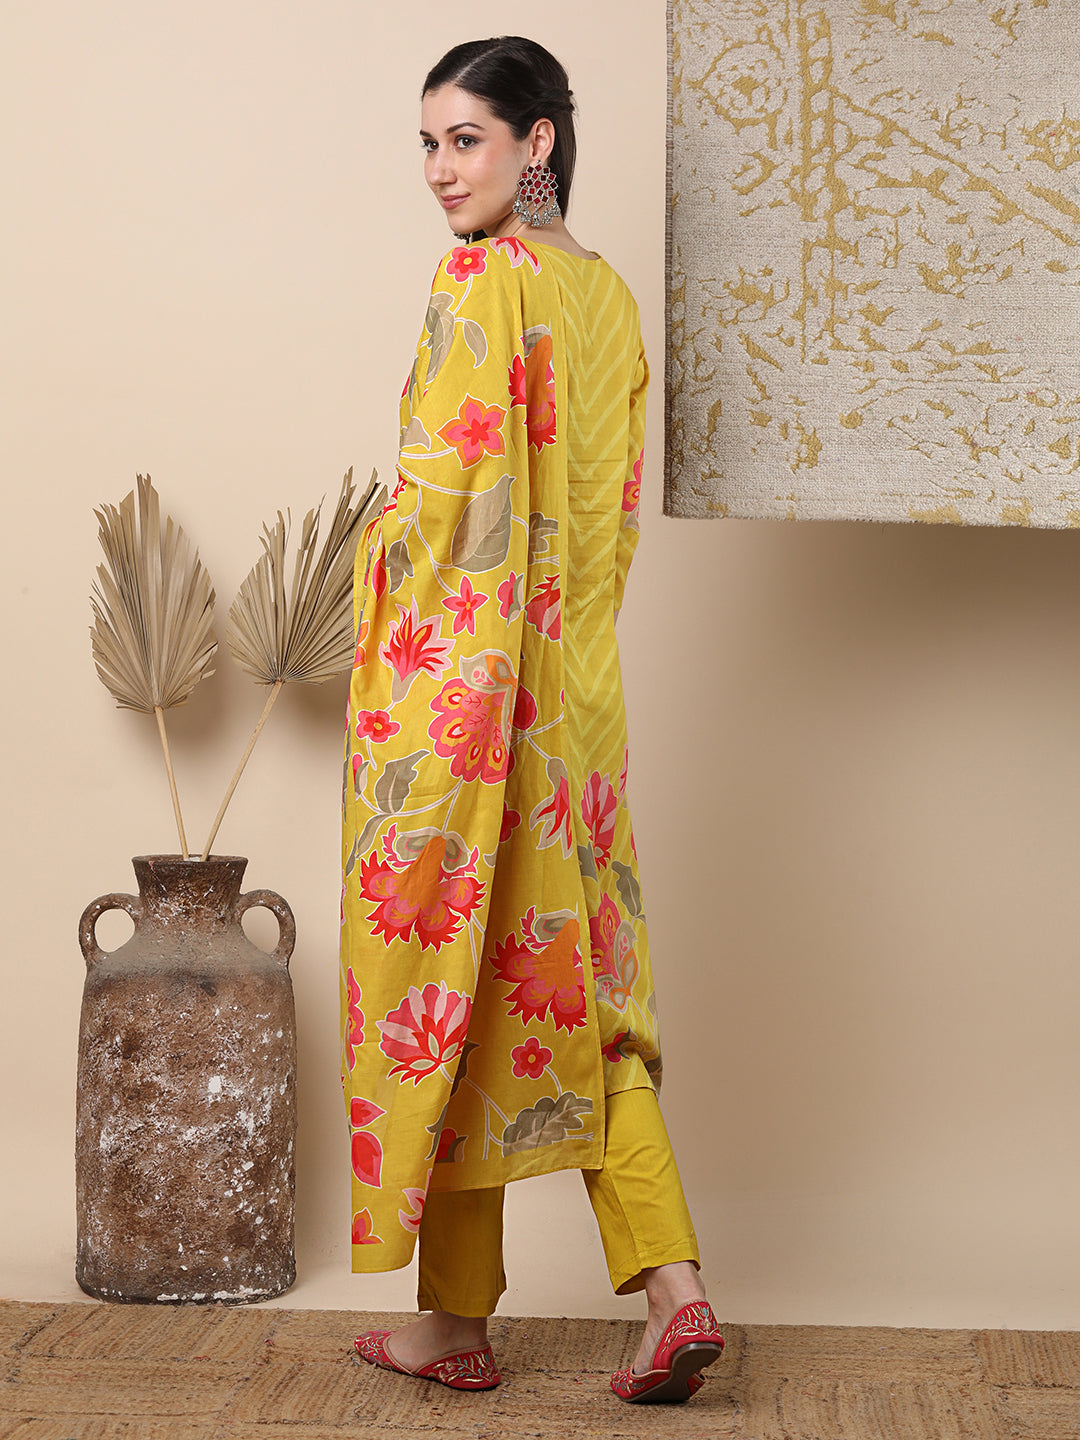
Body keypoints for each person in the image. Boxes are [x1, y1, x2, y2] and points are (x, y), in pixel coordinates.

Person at [340, 36, 722, 1404]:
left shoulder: (479, 283)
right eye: (429, 144)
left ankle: (470, 1320)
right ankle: (652, 1292)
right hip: (580, 699)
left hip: (473, 700)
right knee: (576, 987)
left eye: (468, 140)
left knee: (449, 979)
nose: (442, 171)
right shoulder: (606, 296)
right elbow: (608, 525)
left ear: (537, 140)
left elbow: (438, 509)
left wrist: (382, 605)